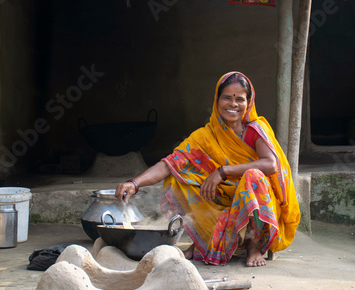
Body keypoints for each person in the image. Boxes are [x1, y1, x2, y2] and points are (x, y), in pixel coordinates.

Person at [115, 71, 300, 267]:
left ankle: (253, 244)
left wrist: (223, 171)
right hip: (226, 199)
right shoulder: (205, 135)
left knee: (253, 177)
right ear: (217, 100)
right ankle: (205, 240)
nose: (233, 104)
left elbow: (270, 164)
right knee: (179, 176)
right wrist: (134, 183)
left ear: (249, 102)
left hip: (258, 198)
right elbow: (169, 163)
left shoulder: (255, 130)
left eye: (240, 99)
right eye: (227, 97)